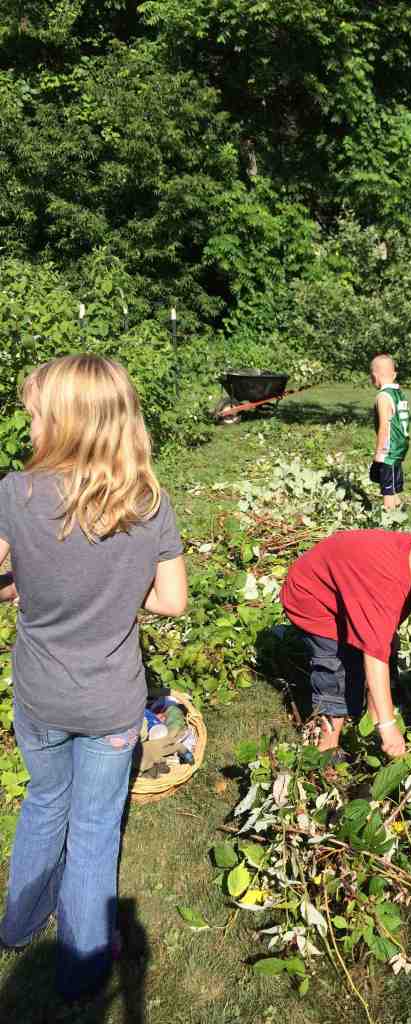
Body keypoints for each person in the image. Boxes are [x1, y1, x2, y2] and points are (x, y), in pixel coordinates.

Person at [0, 355, 187, 1001]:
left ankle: (19, 925)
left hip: (40, 695)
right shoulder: (149, 503)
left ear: (63, 420)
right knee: (95, 826)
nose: (30, 425)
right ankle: (81, 972)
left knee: (45, 801)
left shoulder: (14, 493)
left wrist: (24, 584)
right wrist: (117, 594)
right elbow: (172, 601)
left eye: (35, 414)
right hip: (110, 701)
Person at [280, 529, 411, 757]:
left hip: (349, 591)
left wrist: (382, 718)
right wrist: (388, 726)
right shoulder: (388, 584)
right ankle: (323, 752)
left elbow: (380, 645)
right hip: (314, 598)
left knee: (384, 650)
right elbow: (374, 657)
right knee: (337, 673)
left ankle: (370, 728)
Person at [369, 354, 409, 511]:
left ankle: (389, 514)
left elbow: (384, 427)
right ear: (394, 375)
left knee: (386, 487)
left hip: (389, 448)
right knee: (392, 481)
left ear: (374, 376)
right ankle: (398, 504)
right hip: (400, 444)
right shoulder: (399, 394)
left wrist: (379, 452)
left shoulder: (383, 397)